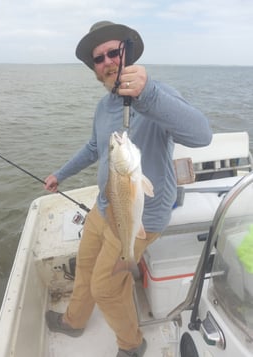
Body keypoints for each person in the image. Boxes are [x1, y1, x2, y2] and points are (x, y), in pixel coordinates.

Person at [44, 20, 212, 357]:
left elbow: (202, 135)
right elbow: (94, 147)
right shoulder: (104, 107)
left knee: (105, 287)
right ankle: (75, 321)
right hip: (105, 207)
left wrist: (146, 94)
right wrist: (60, 174)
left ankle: (132, 345)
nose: (106, 61)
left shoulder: (157, 94)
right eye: (98, 58)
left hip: (142, 214)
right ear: (94, 68)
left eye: (112, 52)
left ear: (127, 52)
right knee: (87, 267)